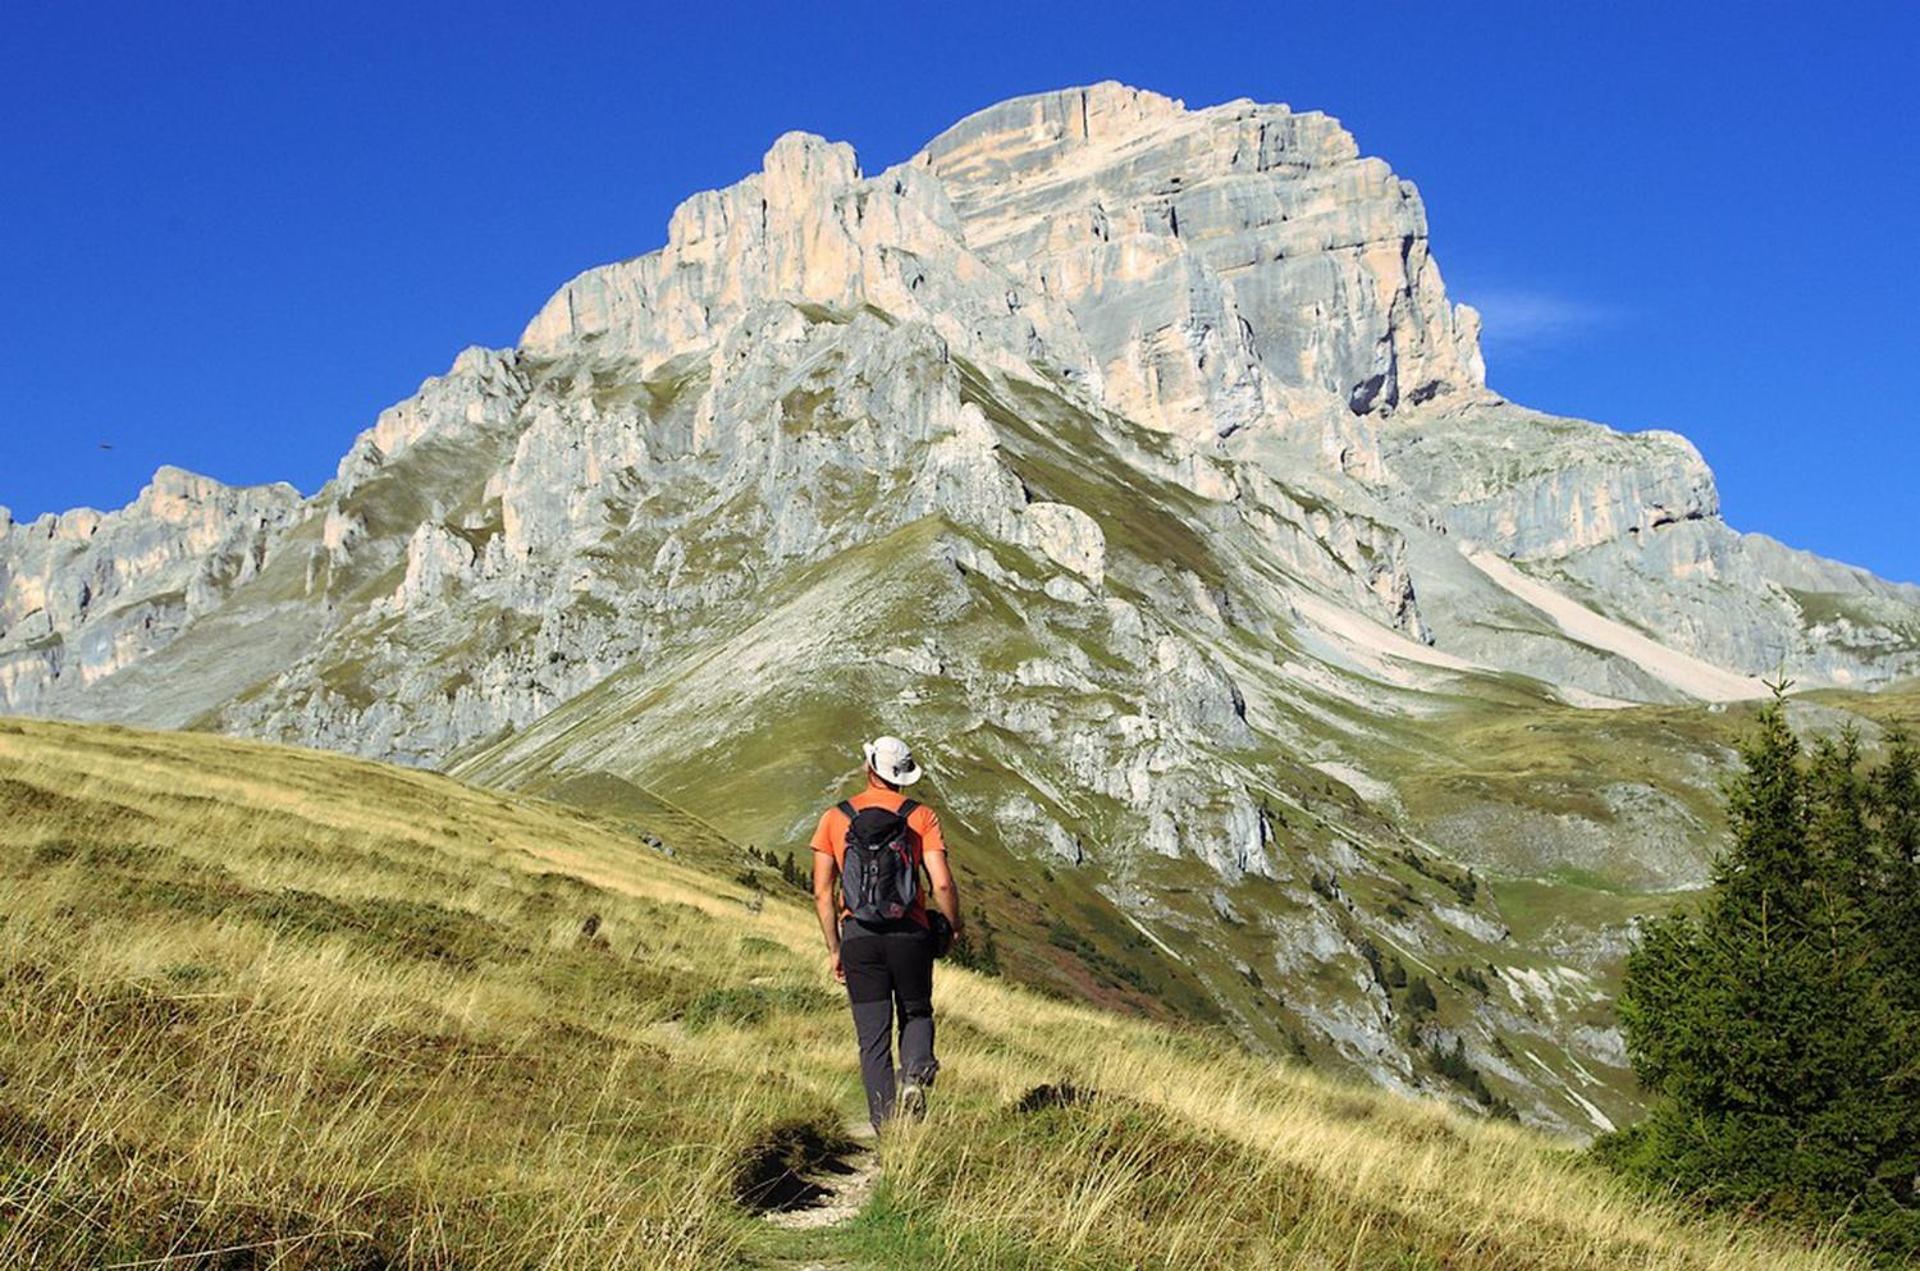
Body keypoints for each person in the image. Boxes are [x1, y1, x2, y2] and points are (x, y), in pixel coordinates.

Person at [811, 735, 964, 1129]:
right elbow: (942, 884)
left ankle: (887, 1131)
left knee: (872, 1040)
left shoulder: (834, 817)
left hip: (859, 937)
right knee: (915, 1012)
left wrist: (835, 948)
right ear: (903, 777)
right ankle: (913, 1077)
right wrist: (953, 924)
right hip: (910, 935)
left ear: (869, 768)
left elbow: (822, 893)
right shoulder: (921, 817)